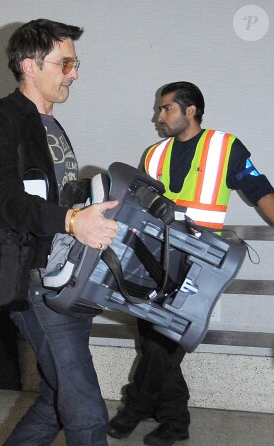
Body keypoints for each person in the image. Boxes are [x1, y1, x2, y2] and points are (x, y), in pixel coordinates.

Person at [0, 19, 119, 445]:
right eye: (66, 62)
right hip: (35, 281)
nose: (74, 72)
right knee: (85, 411)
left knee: (58, 398)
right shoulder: (2, 119)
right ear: (30, 65)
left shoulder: (50, 124)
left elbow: (49, 199)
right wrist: (73, 221)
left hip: (65, 278)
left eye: (75, 62)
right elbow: (2, 200)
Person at [107, 81, 274, 446]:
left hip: (200, 261)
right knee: (152, 337)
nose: (159, 116)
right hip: (151, 258)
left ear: (190, 110)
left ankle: (135, 406)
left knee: (166, 341)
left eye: (166, 108)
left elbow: (260, 189)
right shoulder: (153, 154)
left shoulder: (224, 147)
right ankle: (174, 422)